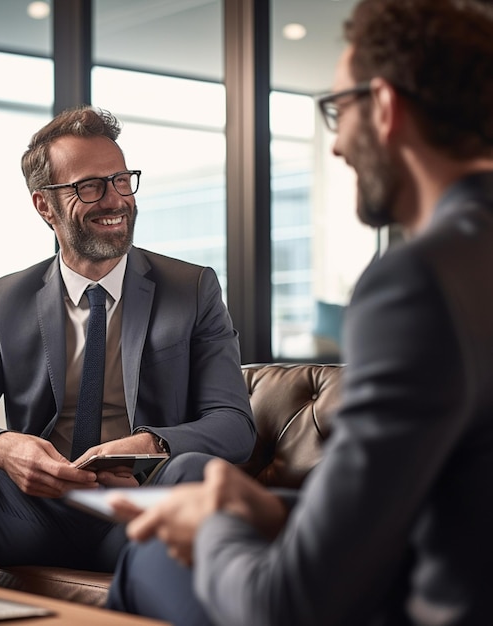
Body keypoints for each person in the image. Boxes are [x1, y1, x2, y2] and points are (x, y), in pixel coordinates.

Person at [105, 0, 493, 624]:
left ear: (387, 107)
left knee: (149, 558)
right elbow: (451, 513)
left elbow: (289, 604)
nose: (337, 144)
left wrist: (208, 528)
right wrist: (278, 511)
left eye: (338, 110)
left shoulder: (417, 281)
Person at [0, 106, 256, 580]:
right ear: (44, 206)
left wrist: (152, 444)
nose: (115, 199)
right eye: (89, 187)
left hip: (141, 508)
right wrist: (3, 448)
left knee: (198, 473)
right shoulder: (7, 299)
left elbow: (234, 426)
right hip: (35, 513)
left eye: (122, 180)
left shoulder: (192, 288)